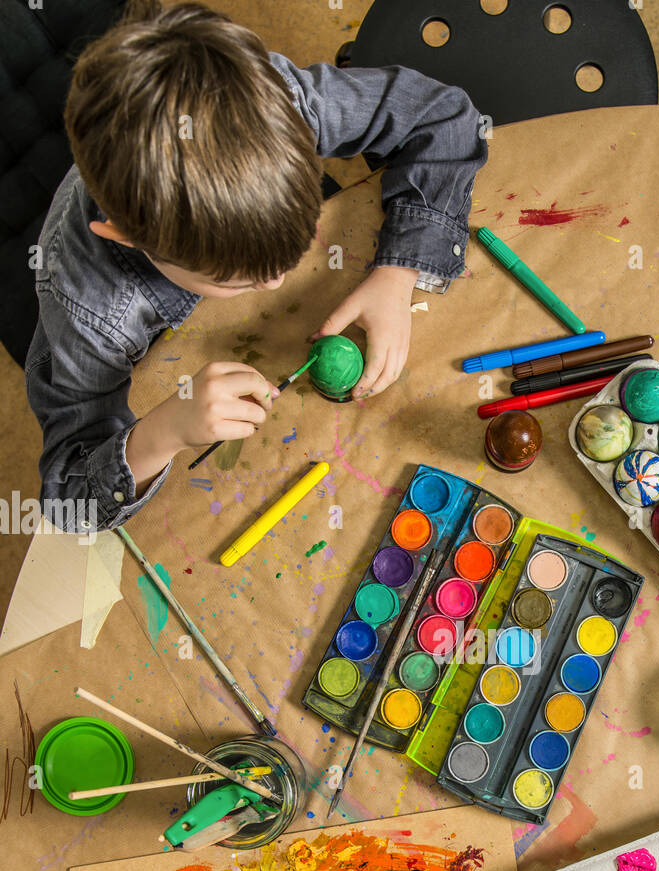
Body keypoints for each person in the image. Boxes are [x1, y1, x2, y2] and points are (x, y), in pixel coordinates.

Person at [25, 2, 487, 531]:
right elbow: (69, 503)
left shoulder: (271, 104)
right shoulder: (85, 307)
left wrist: (398, 272)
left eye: (291, 248)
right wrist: (165, 430)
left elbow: (445, 116)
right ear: (127, 238)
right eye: (236, 279)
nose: (275, 282)